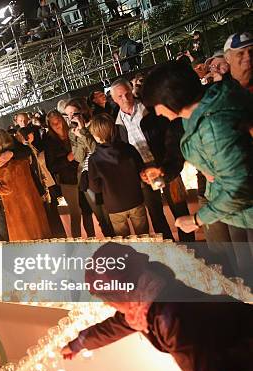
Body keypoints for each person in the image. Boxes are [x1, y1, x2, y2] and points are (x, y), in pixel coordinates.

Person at [62, 243, 253, 371]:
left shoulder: (172, 320)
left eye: (107, 299)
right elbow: (117, 325)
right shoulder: (149, 295)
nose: (107, 304)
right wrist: (78, 343)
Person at [142, 61, 253, 283]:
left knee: (246, 271)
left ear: (170, 99)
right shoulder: (208, 107)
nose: (155, 111)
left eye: (156, 104)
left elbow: (238, 186)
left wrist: (196, 219)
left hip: (243, 208)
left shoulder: (212, 125)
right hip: (232, 208)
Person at [111, 78, 187, 241]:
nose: (125, 99)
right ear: (114, 99)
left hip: (167, 165)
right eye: (120, 97)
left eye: (127, 94)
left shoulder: (150, 108)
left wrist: (169, 161)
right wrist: (137, 172)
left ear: (132, 91)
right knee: (156, 216)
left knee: (180, 209)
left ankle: (192, 248)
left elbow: (170, 135)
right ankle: (170, 250)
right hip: (143, 174)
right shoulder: (117, 125)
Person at [88, 113, 149, 236]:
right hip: (135, 199)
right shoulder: (129, 149)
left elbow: (95, 187)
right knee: (144, 237)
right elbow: (141, 171)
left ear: (97, 136)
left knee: (123, 241)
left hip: (114, 204)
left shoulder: (94, 159)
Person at [0, 129, 51, 241]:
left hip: (19, 211)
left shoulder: (5, 164)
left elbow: (7, 189)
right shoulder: (20, 159)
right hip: (31, 204)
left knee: (27, 243)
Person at [65, 98, 114, 238]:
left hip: (103, 171)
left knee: (109, 212)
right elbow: (79, 157)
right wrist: (79, 134)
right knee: (100, 215)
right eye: (67, 115)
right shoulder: (71, 132)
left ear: (82, 110)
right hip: (87, 176)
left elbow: (97, 150)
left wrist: (84, 131)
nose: (71, 117)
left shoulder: (95, 124)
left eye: (73, 113)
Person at [45, 110, 88, 238]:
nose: (57, 125)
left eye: (58, 121)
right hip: (68, 179)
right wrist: (67, 159)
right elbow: (51, 166)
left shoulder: (72, 131)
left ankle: (91, 237)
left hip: (84, 173)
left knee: (87, 210)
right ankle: (77, 241)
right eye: (53, 124)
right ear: (50, 126)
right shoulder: (49, 140)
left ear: (62, 119)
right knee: (75, 212)